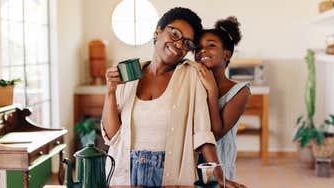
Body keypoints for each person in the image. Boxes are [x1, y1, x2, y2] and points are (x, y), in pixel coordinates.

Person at [101, 7, 245, 188]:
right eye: (174, 34)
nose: (179, 44)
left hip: (171, 176)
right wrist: (110, 91)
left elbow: (202, 133)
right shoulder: (130, 72)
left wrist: (219, 177)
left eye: (187, 43)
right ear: (158, 31)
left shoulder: (192, 75)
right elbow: (113, 136)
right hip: (124, 175)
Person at [195, 16, 251, 180]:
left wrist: (212, 91)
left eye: (211, 45)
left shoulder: (239, 91)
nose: (202, 51)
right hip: (190, 163)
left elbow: (216, 133)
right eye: (198, 48)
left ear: (226, 55)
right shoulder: (193, 83)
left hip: (218, 165)